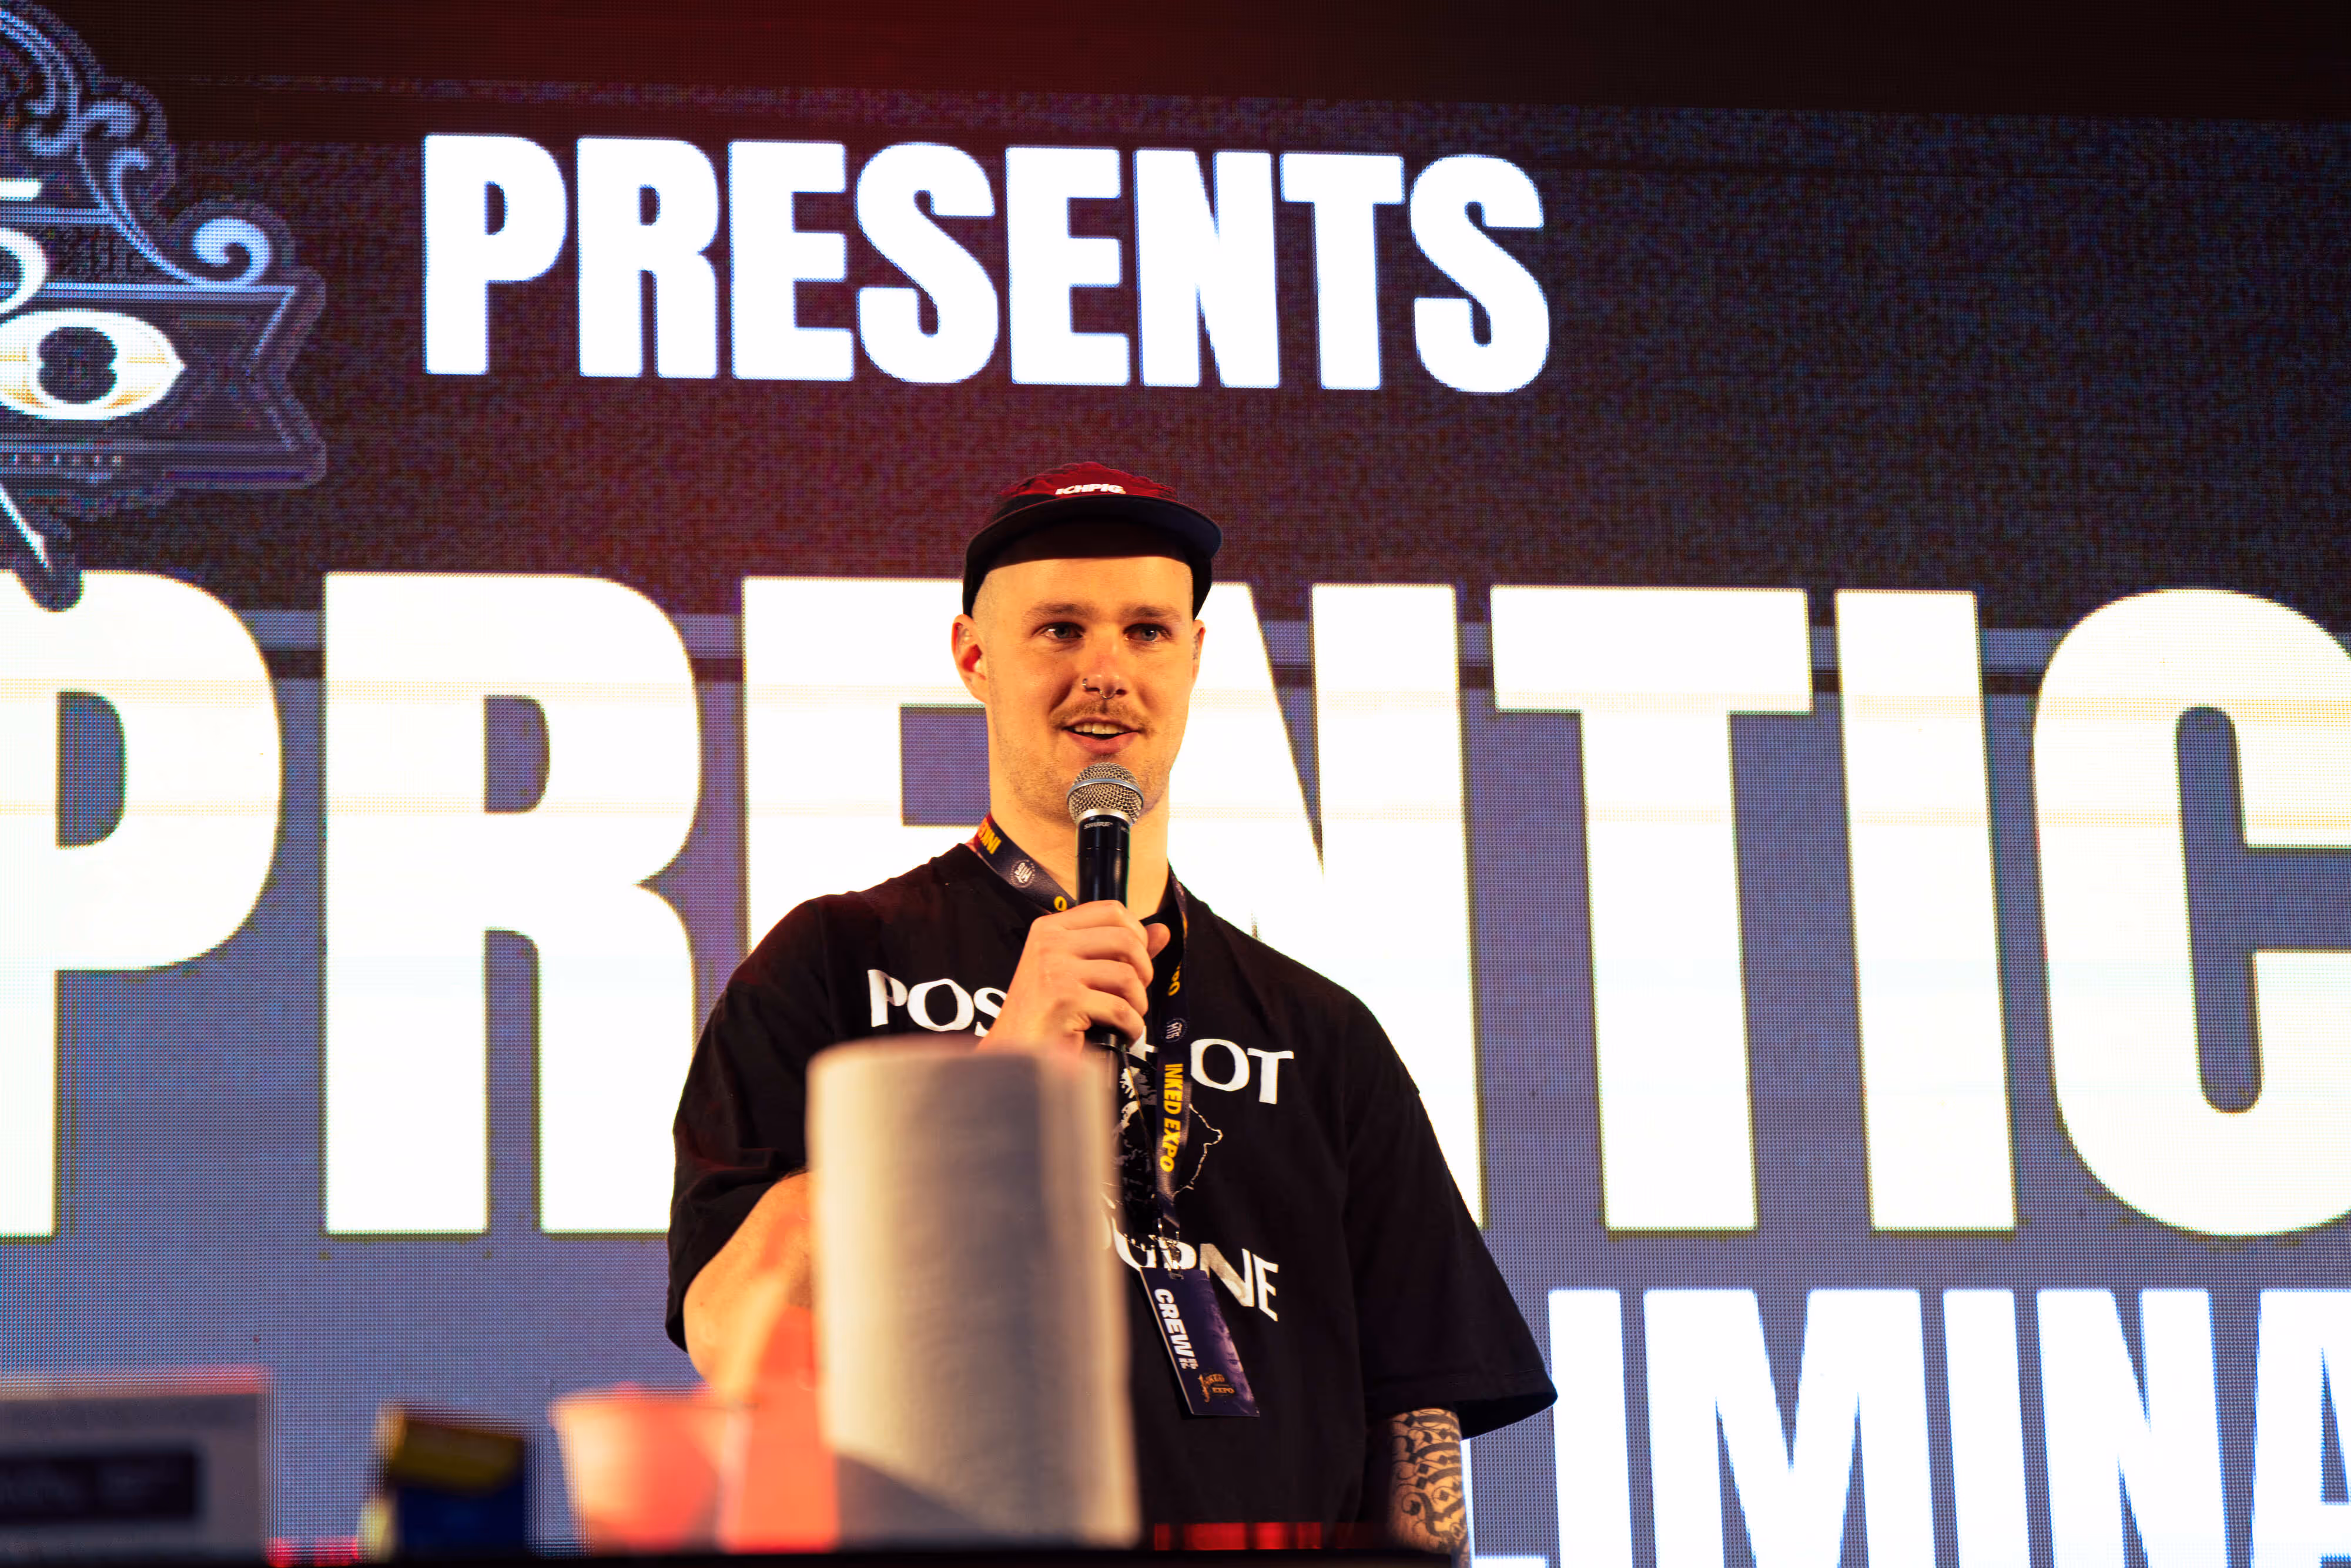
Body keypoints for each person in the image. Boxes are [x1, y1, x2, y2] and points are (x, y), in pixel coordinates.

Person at [667, 461, 1553, 1547]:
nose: (1106, 674)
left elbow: (1415, 1409)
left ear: (1194, 658)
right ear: (974, 657)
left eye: (1146, 631)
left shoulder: (1320, 1033)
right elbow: (732, 1329)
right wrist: (989, 1079)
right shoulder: (835, 963)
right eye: (1059, 631)